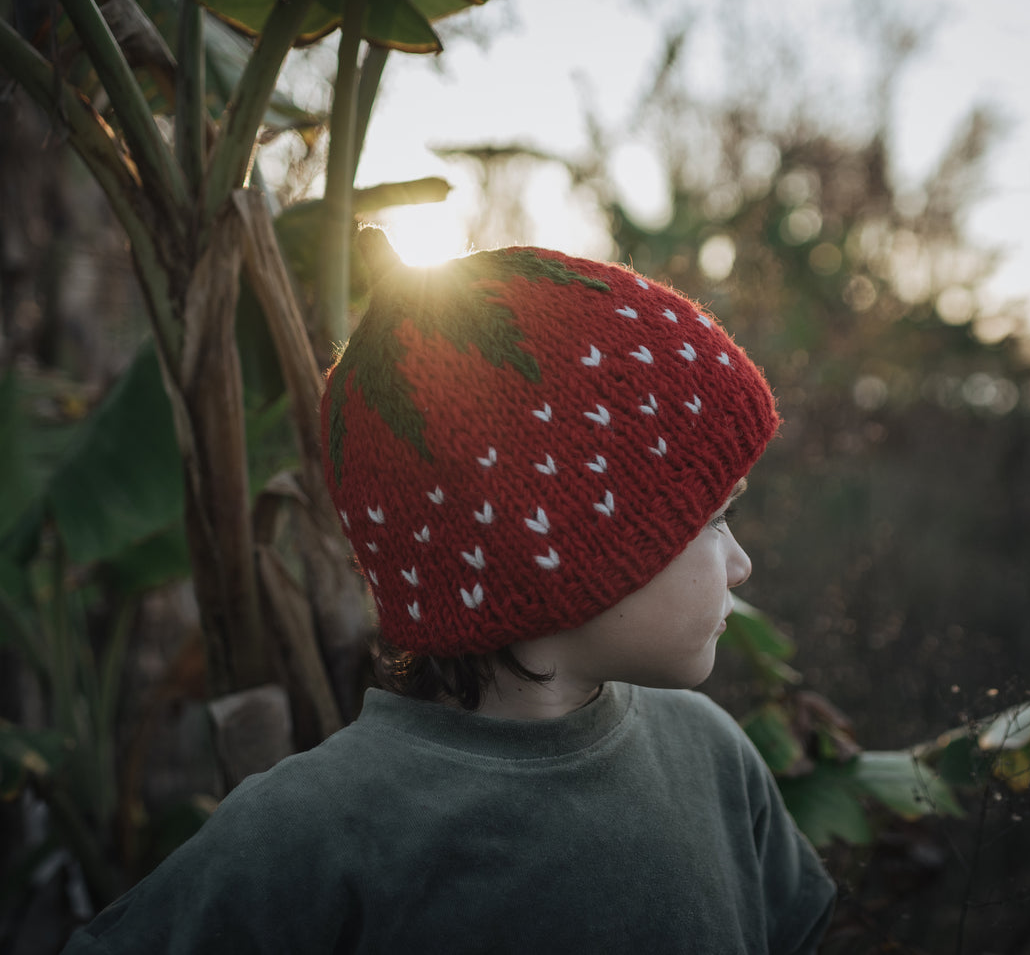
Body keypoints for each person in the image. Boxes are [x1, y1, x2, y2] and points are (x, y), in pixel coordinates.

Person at [63, 236, 836, 954]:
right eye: (713, 517)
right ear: (555, 540)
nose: (740, 565)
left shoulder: (711, 755)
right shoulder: (314, 833)